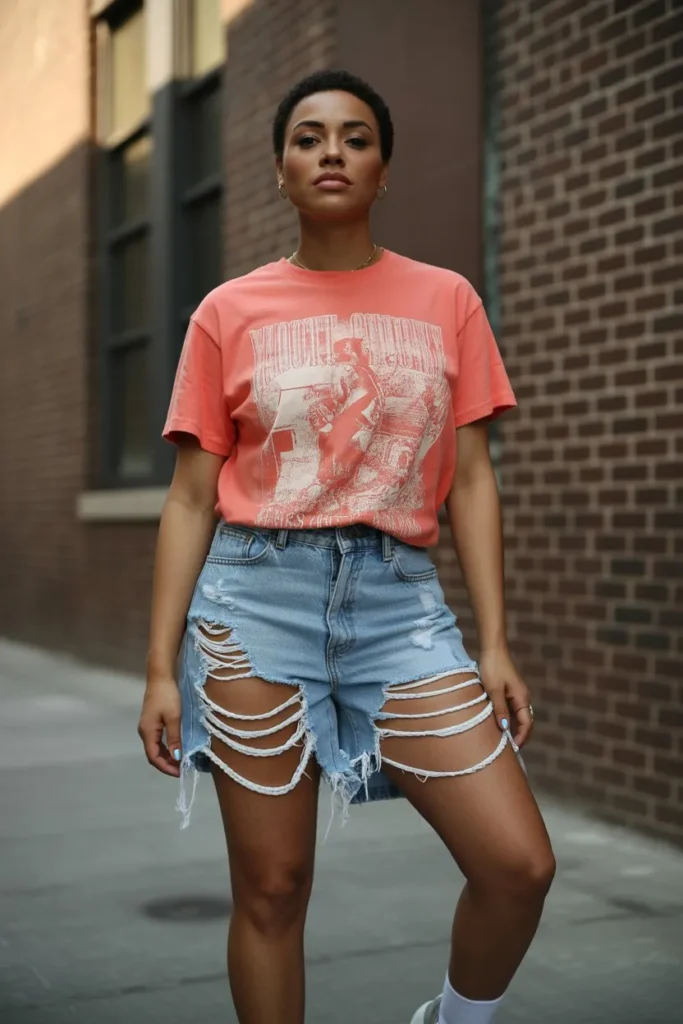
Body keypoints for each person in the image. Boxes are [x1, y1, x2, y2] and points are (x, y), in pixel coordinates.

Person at [138, 69, 555, 1024]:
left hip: (400, 605)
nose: (333, 151)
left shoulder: (446, 299)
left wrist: (492, 643)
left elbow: (474, 479)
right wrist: (161, 666)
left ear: (382, 169)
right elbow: (191, 497)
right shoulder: (226, 312)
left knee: (517, 863)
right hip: (252, 606)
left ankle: (454, 1017)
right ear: (281, 169)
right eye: (310, 137)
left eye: (356, 137)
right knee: (273, 891)